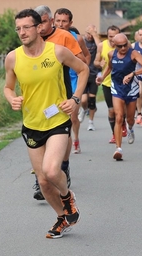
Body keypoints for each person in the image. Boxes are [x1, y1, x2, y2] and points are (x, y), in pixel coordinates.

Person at [4, 9, 88, 238]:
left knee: (52, 170)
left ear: (39, 27)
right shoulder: (13, 57)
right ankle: (62, 217)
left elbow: (83, 70)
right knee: (42, 180)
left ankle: (67, 196)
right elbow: (8, 87)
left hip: (57, 120)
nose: (22, 32)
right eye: (18, 28)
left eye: (26, 27)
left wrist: (76, 98)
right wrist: (12, 98)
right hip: (31, 123)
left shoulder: (58, 52)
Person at [31, 5, 86, 200]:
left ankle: (63, 166)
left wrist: (76, 96)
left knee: (60, 132)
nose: (39, 27)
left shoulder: (64, 37)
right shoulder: (31, 37)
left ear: (51, 21)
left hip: (62, 94)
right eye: (36, 23)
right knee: (39, 134)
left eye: (43, 22)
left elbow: (81, 63)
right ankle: (41, 179)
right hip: (37, 99)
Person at [96, 33, 142, 160]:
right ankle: (118, 148)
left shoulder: (133, 53)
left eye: (125, 45)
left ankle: (131, 128)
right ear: (114, 45)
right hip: (117, 87)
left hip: (131, 88)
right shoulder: (111, 54)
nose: (123, 48)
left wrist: (133, 73)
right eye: (120, 46)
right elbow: (110, 67)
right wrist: (102, 77)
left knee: (130, 119)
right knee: (119, 117)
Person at [53, 7, 90, 153]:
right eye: (58, 21)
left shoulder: (77, 38)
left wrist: (81, 68)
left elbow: (86, 56)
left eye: (64, 21)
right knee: (56, 114)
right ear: (53, 21)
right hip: (56, 80)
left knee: (73, 116)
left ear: (70, 23)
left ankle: (75, 139)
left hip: (73, 79)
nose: (60, 24)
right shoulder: (47, 38)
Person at [94, 25, 122, 143]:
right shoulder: (101, 46)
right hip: (107, 82)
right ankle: (114, 134)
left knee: (121, 111)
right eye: (110, 36)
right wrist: (99, 63)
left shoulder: (124, 46)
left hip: (121, 82)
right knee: (111, 110)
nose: (112, 39)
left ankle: (122, 124)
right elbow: (95, 61)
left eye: (115, 36)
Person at [79, 24, 102, 131]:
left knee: (91, 99)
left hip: (94, 73)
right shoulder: (82, 41)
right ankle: (84, 109)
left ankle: (91, 122)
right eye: (88, 33)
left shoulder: (97, 42)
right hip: (83, 73)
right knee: (83, 100)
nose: (90, 36)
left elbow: (100, 46)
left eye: (92, 34)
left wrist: (94, 34)